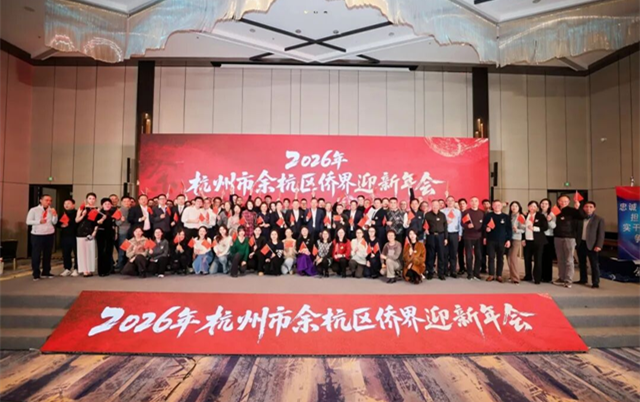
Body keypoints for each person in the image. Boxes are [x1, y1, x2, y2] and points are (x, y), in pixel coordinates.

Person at [554, 195, 584, 288]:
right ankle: (561, 277)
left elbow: (582, 216)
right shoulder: (555, 210)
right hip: (557, 237)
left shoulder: (572, 210)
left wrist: (578, 208)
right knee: (560, 259)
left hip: (569, 237)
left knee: (569, 259)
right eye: (561, 201)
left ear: (569, 202)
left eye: (565, 201)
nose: (563, 203)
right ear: (558, 201)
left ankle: (568, 280)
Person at [25, 194, 58, 280]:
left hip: (49, 234)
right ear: (41, 200)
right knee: (36, 254)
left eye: (50, 200)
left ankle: (46, 271)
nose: (49, 202)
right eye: (47, 200)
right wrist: (39, 221)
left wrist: (55, 215)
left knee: (47, 254)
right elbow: (28, 221)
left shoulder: (51, 210)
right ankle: (36, 273)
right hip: (37, 234)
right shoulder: (34, 210)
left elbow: (54, 222)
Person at [482, 200, 512, 282]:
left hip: (502, 240)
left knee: (500, 258)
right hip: (491, 240)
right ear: (492, 206)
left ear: (501, 206)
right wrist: (486, 229)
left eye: (498, 205)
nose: (497, 207)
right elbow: (484, 225)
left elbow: (509, 229)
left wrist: (508, 240)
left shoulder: (506, 217)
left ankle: (499, 275)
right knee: (491, 257)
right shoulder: (488, 216)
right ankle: (491, 275)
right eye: (495, 205)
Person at [577, 201, 605, 288]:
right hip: (581, 243)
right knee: (582, 263)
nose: (588, 208)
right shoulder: (581, 218)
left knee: (594, 264)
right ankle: (583, 279)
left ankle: (595, 282)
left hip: (592, 244)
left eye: (590, 207)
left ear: (594, 208)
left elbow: (601, 234)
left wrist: (599, 245)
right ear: (583, 208)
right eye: (586, 206)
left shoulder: (599, 219)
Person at [522, 201, 548, 285]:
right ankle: (528, 275)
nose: (532, 208)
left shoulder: (540, 216)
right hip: (527, 240)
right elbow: (522, 228)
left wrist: (535, 228)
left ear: (537, 207)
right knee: (527, 259)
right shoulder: (525, 216)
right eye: (531, 206)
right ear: (528, 207)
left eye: (534, 206)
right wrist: (523, 239)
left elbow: (545, 227)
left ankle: (537, 278)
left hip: (538, 241)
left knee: (538, 260)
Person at [76, 193, 99, 277]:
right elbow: (76, 220)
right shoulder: (82, 208)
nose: (91, 200)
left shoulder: (97, 209)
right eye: (90, 198)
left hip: (91, 231)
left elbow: (97, 222)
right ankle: (84, 270)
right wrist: (83, 215)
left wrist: (95, 231)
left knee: (90, 251)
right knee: (82, 252)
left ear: (95, 200)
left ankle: (90, 269)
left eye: (93, 199)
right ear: (86, 199)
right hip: (81, 231)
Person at [424, 199, 448, 280]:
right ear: (431, 206)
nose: (435, 207)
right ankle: (430, 272)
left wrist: (446, 238)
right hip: (431, 236)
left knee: (441, 255)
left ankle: (441, 273)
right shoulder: (427, 215)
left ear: (439, 206)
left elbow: (445, 227)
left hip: (441, 236)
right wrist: (425, 229)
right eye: (433, 205)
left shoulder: (443, 215)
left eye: (436, 205)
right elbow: (424, 225)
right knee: (431, 255)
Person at [462, 197, 484, 280]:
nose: (474, 203)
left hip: (479, 237)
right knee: (469, 256)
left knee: (479, 255)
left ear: (478, 203)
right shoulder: (466, 212)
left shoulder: (482, 212)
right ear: (470, 203)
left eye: (476, 201)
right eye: (472, 201)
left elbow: (484, 224)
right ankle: (470, 273)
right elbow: (462, 223)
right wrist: (467, 226)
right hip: (468, 237)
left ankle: (476, 273)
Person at [442, 196, 462, 278]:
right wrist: (445, 222)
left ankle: (453, 270)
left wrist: (460, 234)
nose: (450, 202)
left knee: (453, 253)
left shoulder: (458, 212)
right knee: (445, 253)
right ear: (446, 202)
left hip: (454, 234)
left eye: (452, 201)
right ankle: (445, 270)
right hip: (445, 234)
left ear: (454, 202)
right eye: (448, 201)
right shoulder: (442, 211)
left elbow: (460, 223)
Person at [96, 198, 116, 277]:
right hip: (101, 233)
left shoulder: (112, 213)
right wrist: (102, 218)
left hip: (110, 234)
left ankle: (109, 269)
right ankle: (101, 270)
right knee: (101, 252)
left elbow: (114, 224)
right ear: (102, 205)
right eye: (105, 204)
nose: (107, 205)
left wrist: (116, 233)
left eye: (109, 204)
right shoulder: (99, 213)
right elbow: (96, 223)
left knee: (109, 251)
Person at [58, 198, 78, 277]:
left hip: (75, 235)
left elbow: (78, 223)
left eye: (68, 203)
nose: (66, 205)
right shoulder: (62, 213)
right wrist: (61, 225)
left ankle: (76, 268)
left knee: (76, 253)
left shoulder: (77, 213)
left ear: (73, 205)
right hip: (65, 236)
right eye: (65, 204)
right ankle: (67, 268)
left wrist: (69, 224)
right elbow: (57, 223)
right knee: (66, 253)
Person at [507, 201, 526, 284]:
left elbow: (524, 229)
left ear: (519, 207)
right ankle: (512, 275)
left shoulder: (520, 216)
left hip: (516, 238)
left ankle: (515, 278)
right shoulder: (509, 216)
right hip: (508, 239)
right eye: (512, 206)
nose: (514, 207)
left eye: (516, 206)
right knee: (508, 257)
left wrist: (517, 230)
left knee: (513, 257)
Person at [539, 198, 557, 283]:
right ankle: (540, 275)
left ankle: (547, 277)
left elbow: (553, 226)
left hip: (548, 237)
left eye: (546, 204)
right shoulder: (538, 213)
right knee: (540, 257)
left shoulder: (552, 214)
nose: (544, 205)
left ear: (549, 205)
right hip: (539, 236)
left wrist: (549, 220)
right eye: (542, 203)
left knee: (548, 257)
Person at [115, 196, 132, 270]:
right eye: (124, 201)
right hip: (123, 233)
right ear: (121, 202)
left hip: (131, 232)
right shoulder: (118, 211)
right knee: (122, 249)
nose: (126, 203)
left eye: (128, 201)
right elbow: (116, 223)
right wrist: (121, 220)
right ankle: (120, 265)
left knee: (130, 249)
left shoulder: (132, 209)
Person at [457, 198, 468, 276]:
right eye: (460, 204)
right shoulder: (457, 213)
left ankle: (469, 266)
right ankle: (461, 267)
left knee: (468, 252)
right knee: (460, 252)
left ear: (466, 205)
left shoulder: (469, 213)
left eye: (463, 203)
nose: (462, 205)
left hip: (468, 235)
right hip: (460, 235)